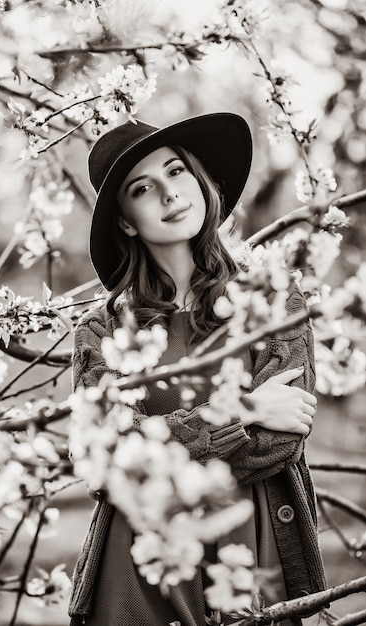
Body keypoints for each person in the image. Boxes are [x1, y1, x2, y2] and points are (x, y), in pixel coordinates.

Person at [68, 113, 326, 626]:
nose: (169, 194)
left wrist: (157, 442)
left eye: (177, 171)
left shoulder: (273, 297)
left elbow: (282, 440)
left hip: (252, 556)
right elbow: (104, 460)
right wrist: (247, 407)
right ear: (124, 219)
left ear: (200, 179)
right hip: (139, 570)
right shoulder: (100, 333)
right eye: (144, 188)